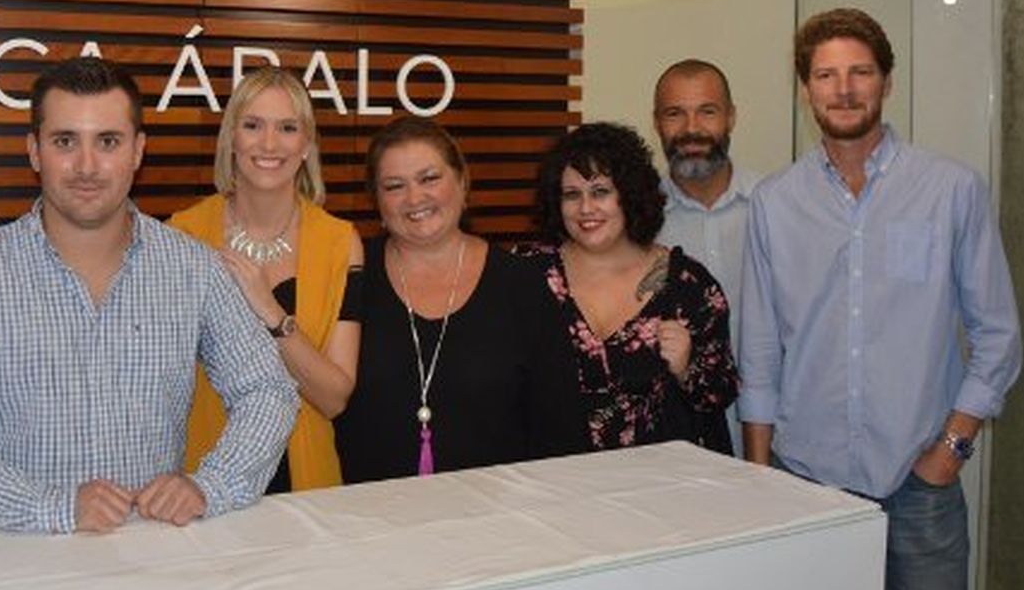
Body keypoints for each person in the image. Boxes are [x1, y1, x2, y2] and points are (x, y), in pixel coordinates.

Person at [0, 57, 297, 532]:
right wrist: (48, 506)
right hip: (16, 565)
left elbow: (268, 391)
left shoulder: (193, 269)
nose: (86, 166)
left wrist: (213, 484)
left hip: (152, 561)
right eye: (65, 142)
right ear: (35, 150)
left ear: (137, 151)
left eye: (108, 142)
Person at [739, 8, 1022, 590]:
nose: (843, 89)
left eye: (860, 72)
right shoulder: (774, 202)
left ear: (887, 82)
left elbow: (997, 334)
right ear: (805, 90)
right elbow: (760, 349)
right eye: (825, 75)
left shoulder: (951, 189)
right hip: (805, 480)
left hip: (921, 482)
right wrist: (761, 477)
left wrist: (951, 450)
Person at [333, 117, 583, 483]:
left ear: (462, 181)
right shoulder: (349, 278)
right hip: (369, 522)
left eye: (429, 178)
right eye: (394, 186)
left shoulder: (521, 284)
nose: (415, 198)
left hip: (498, 524)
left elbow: (560, 430)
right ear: (376, 200)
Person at [169, 67, 362, 493]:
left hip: (309, 486)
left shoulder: (340, 243)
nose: (269, 144)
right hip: (203, 482)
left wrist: (270, 312)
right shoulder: (184, 234)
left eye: (288, 128)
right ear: (231, 138)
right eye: (253, 125)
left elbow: (333, 398)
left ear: (307, 144)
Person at [518, 122, 737, 454]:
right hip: (552, 487)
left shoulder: (688, 285)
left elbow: (720, 396)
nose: (586, 208)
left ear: (630, 194)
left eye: (601, 192)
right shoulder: (526, 275)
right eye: (572, 194)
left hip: (662, 490)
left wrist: (686, 368)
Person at [651, 58, 758, 454]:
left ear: (731, 117)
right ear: (656, 122)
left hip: (776, 433)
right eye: (675, 113)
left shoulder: (775, 207)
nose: (692, 129)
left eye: (707, 112)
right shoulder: (634, 224)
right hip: (680, 440)